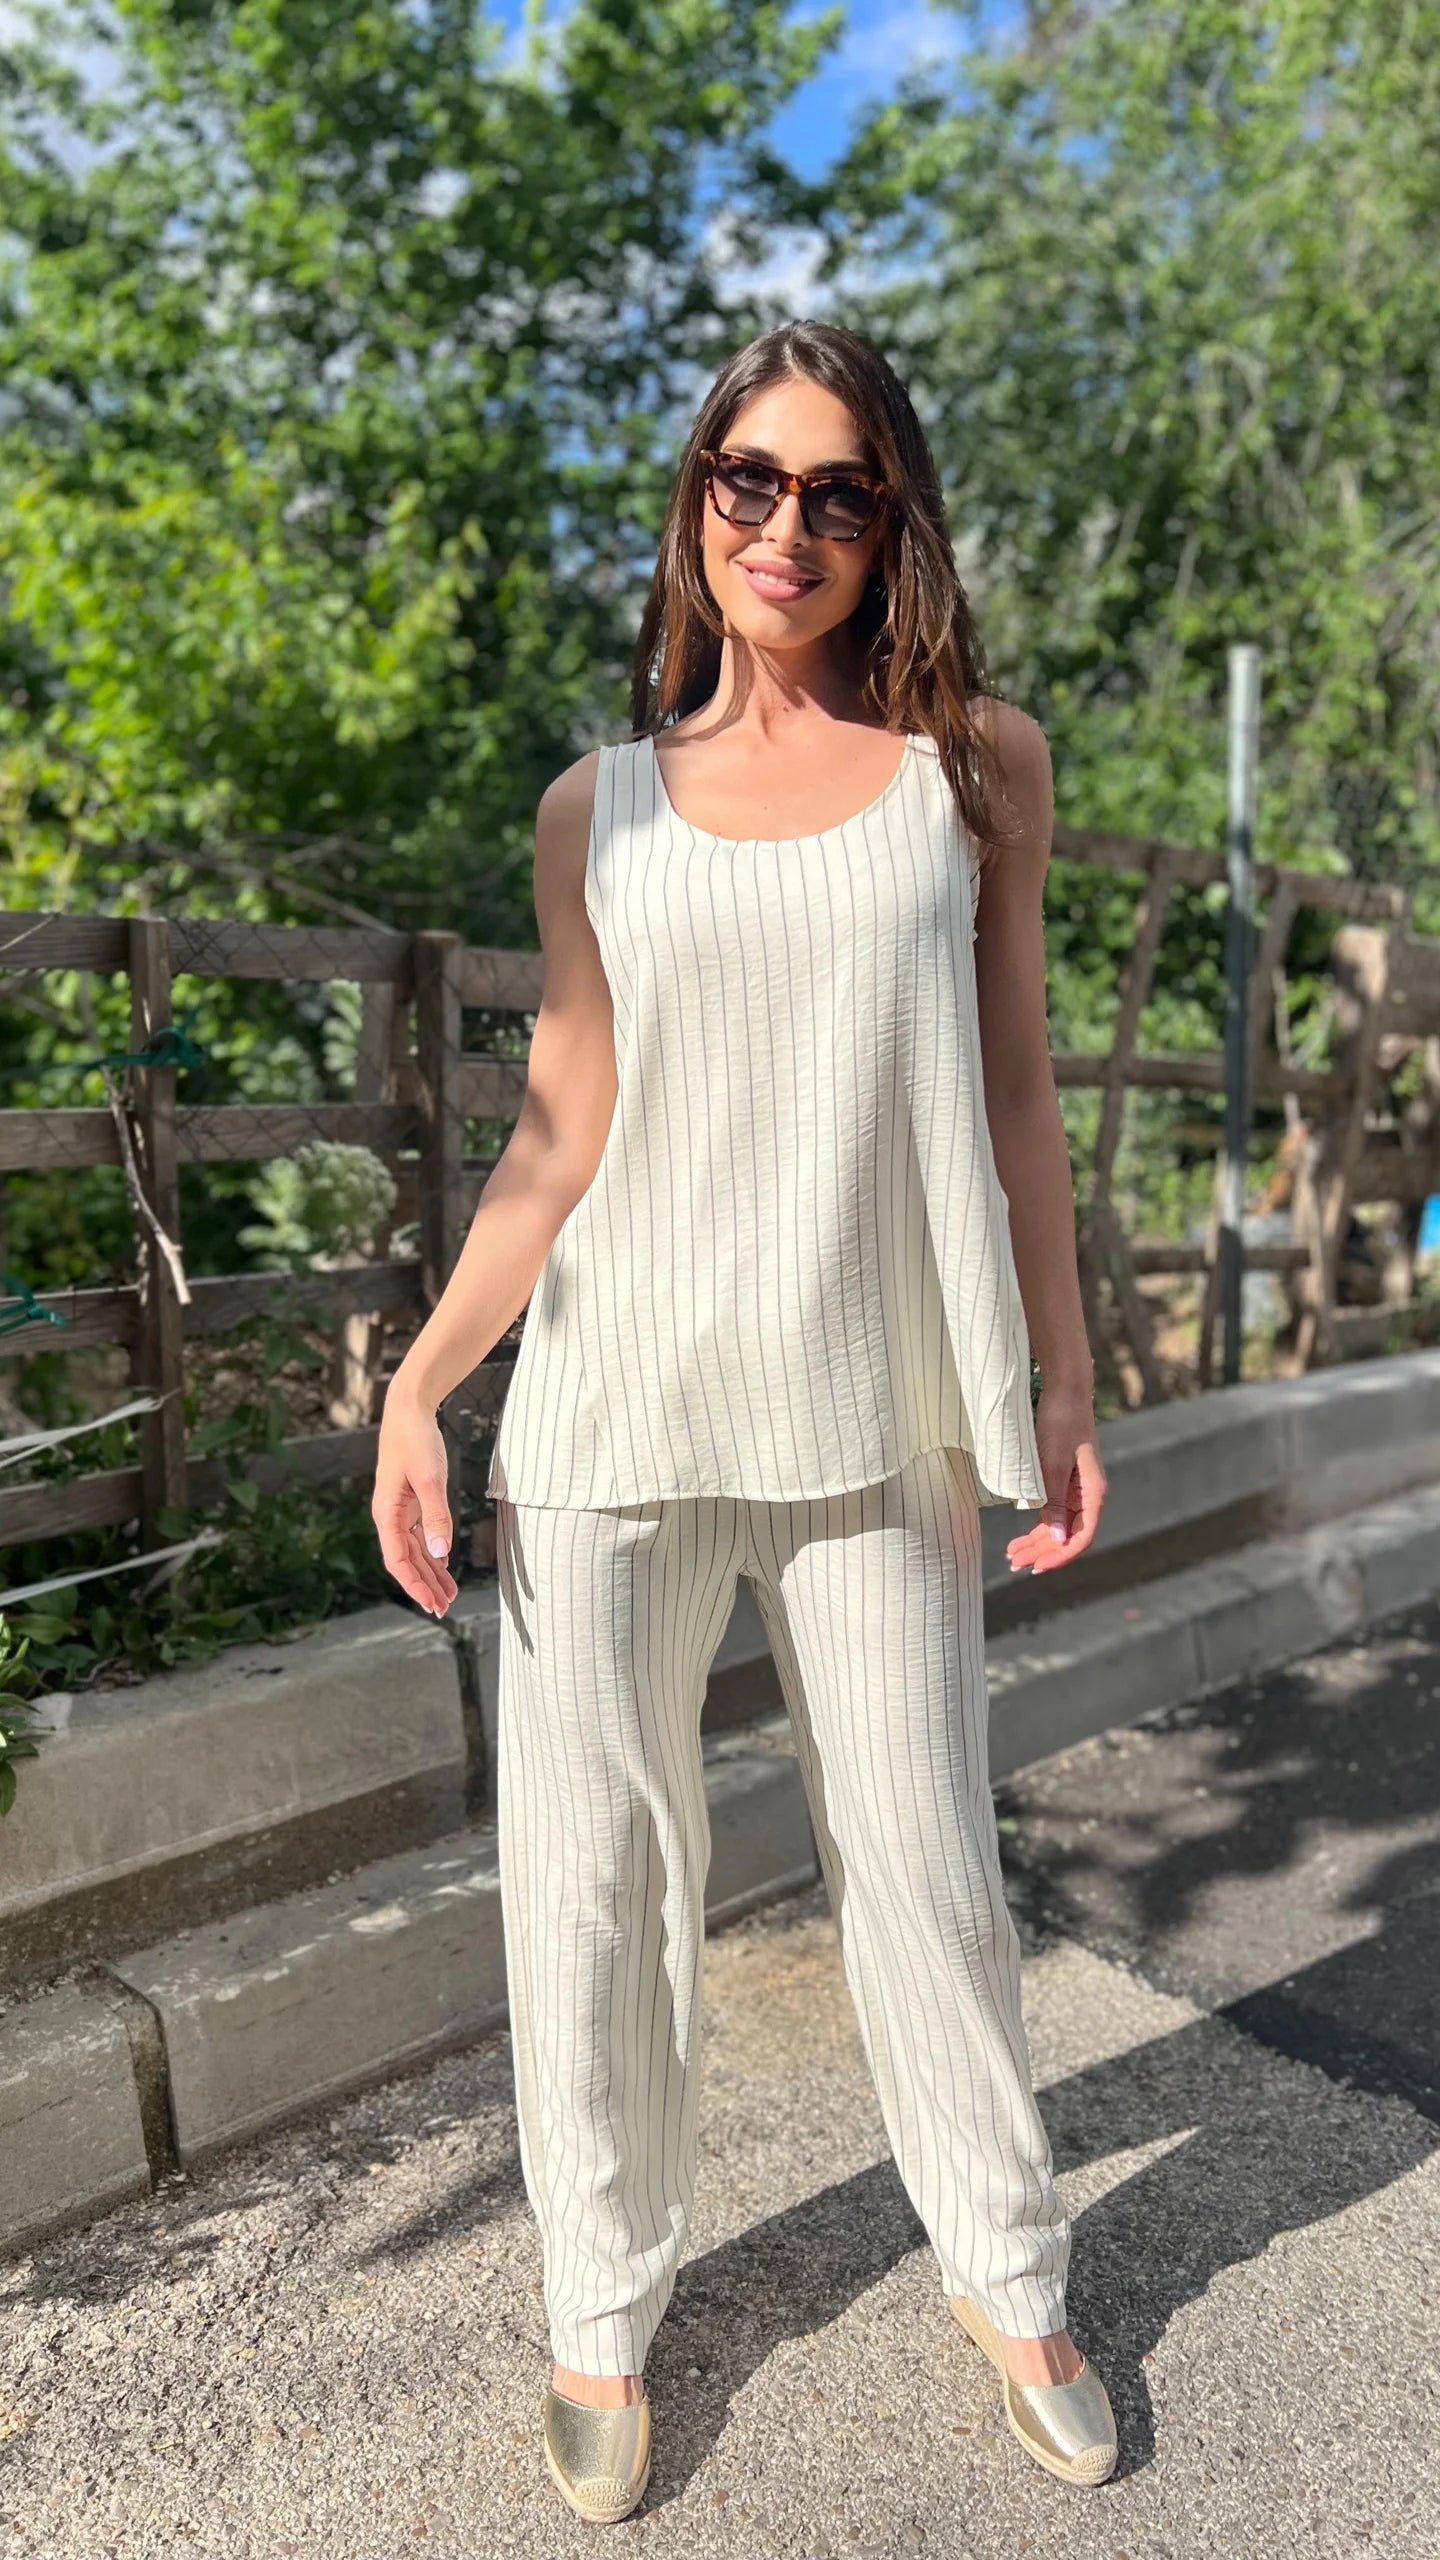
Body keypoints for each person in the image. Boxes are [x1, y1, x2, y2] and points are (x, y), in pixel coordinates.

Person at [371, 319, 1117, 2522]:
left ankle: (1009, 2262)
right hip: (607, 1408)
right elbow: (557, 1127)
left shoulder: (974, 764)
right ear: (697, 501)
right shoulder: (590, 809)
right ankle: (602, 2301)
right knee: (587, 1887)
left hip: (870, 1401)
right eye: (748, 477)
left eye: (839, 488)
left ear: (895, 527)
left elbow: (1011, 1098)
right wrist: (424, 1378)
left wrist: (1063, 1377)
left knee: (927, 1866)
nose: (786, 523)